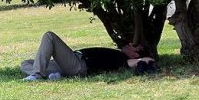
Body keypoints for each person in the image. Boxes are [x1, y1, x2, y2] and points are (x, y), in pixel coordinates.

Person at [21, 31, 156, 81]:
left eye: (135, 47)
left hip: (78, 65)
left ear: (135, 54)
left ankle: (38, 75)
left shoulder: (122, 59)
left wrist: (144, 60)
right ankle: (56, 75)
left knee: (49, 36)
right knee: (25, 63)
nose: (130, 44)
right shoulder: (118, 54)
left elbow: (136, 62)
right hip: (67, 64)